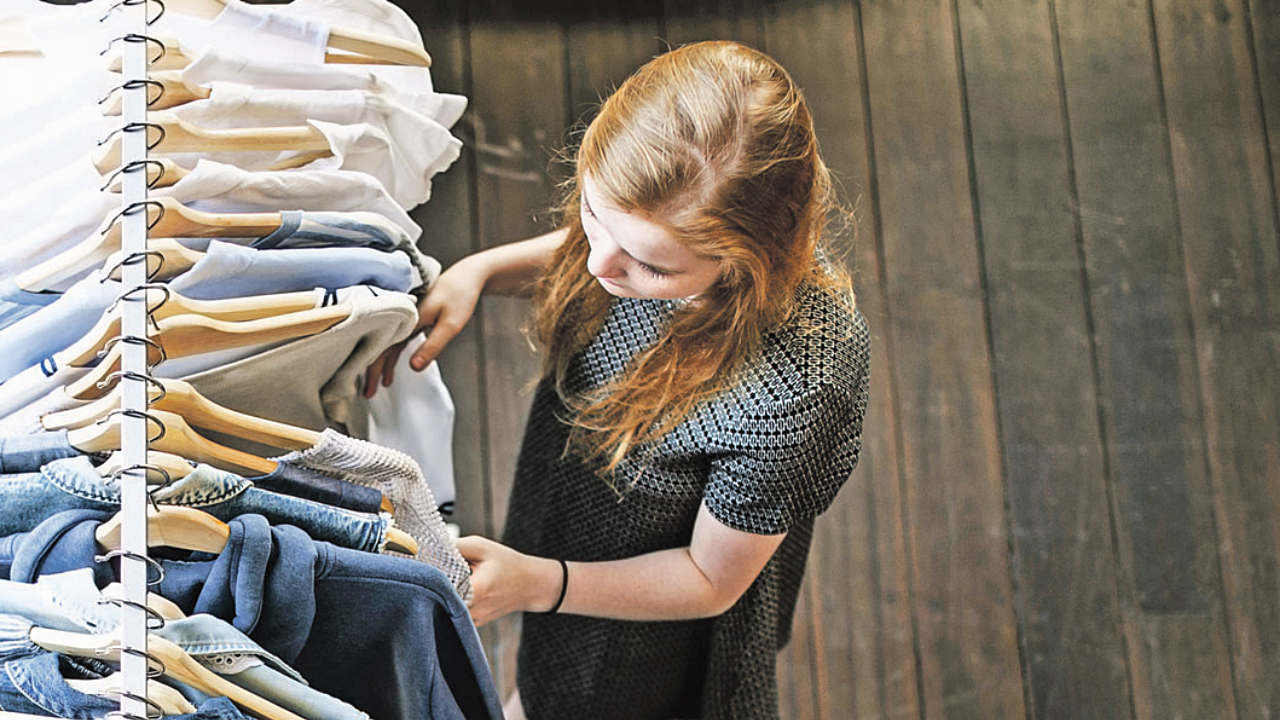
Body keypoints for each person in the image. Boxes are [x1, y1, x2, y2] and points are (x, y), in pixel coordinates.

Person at [364, 40, 871, 720]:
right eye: (593, 213)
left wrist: (542, 584)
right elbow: (605, 248)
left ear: (750, 259)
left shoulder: (796, 390)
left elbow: (710, 580)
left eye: (650, 267)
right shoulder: (649, 234)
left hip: (648, 619)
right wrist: (480, 271)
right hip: (580, 513)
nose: (599, 266)